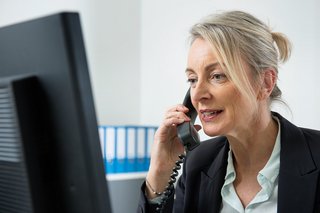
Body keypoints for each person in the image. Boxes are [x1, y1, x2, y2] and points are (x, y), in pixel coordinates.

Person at [137, 10, 320, 213]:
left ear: (265, 83)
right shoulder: (198, 164)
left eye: (217, 76)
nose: (198, 95)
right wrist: (160, 174)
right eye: (192, 80)